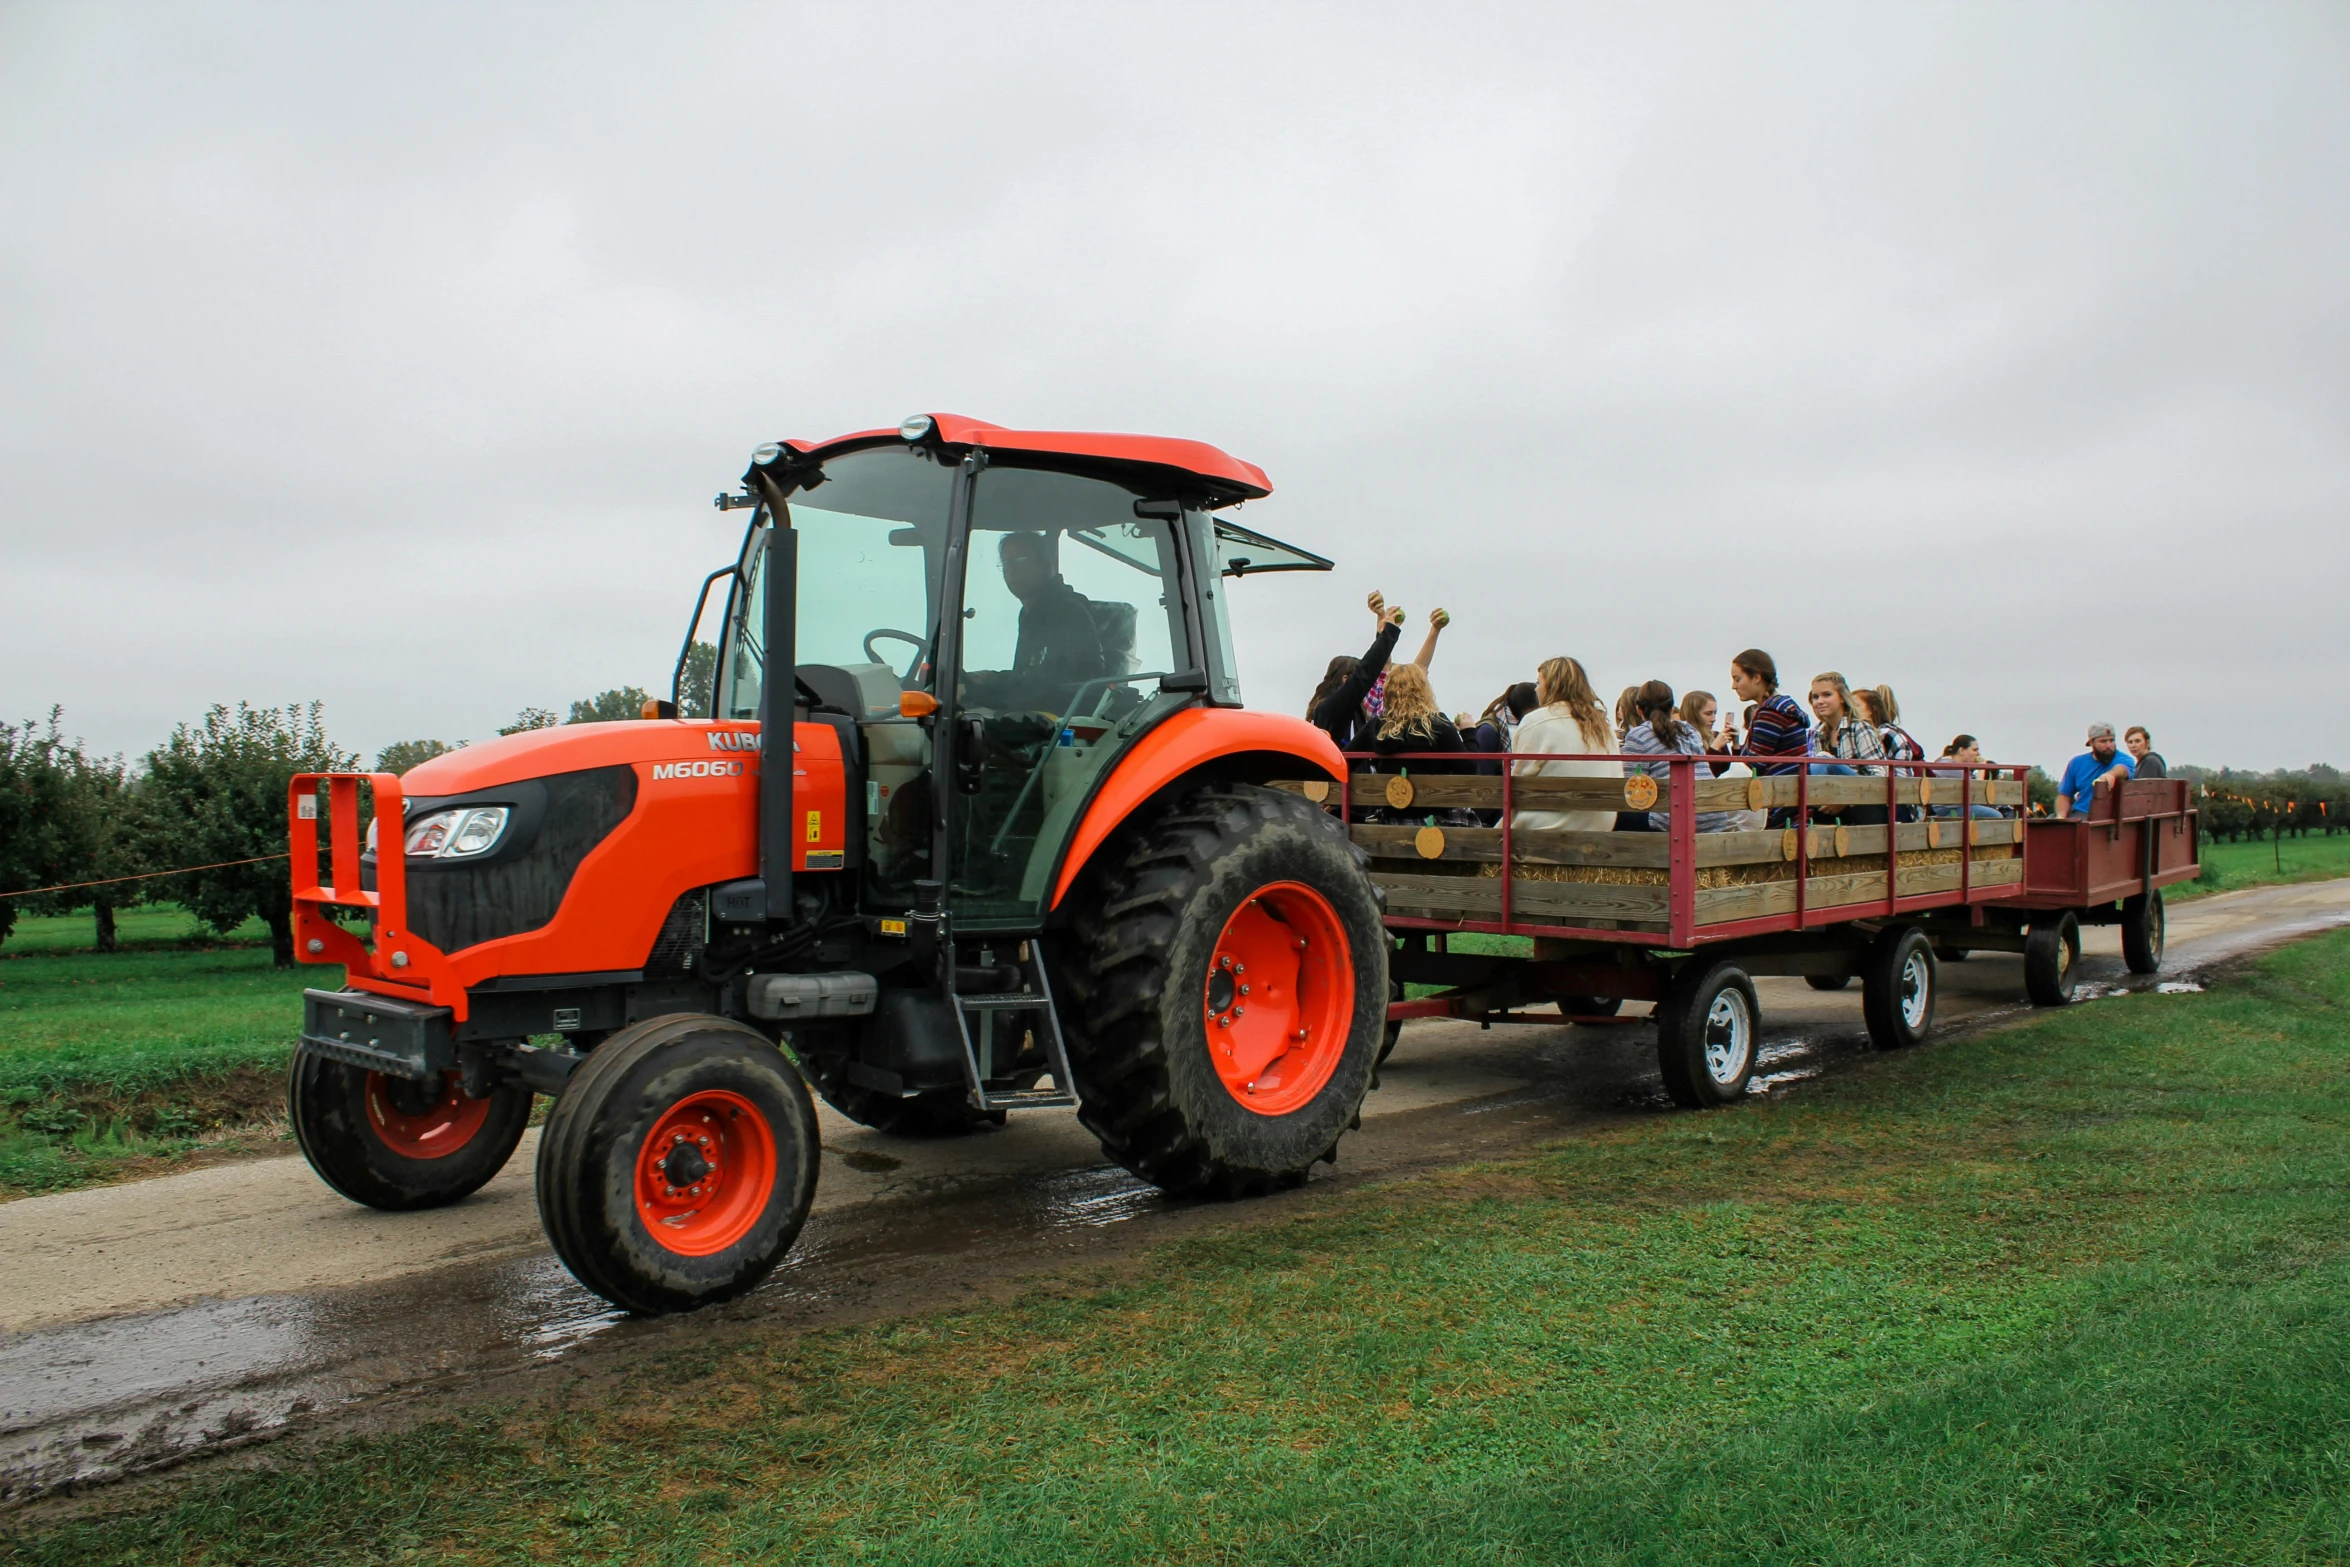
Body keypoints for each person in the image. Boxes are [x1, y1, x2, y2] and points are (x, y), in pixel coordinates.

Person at [961, 531, 1109, 712]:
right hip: (1035, 714)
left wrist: (975, 692)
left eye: (1021, 561)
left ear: (1045, 564)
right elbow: (1028, 677)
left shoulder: (1066, 612)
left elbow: (1047, 687)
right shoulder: (1030, 613)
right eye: (1007, 563)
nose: (1012, 571)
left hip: (1056, 724)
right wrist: (988, 679)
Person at [1512, 656, 1618, 833]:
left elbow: (1516, 784)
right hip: (1599, 828)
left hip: (1544, 829)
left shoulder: (1536, 722)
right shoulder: (1603, 728)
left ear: (1552, 686)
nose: (1536, 690)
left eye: (1538, 683)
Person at [1619, 681, 1735, 832]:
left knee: (1617, 815)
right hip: (1713, 815)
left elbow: (1631, 786)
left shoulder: (1638, 735)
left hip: (1676, 818)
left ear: (1639, 709)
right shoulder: (1690, 730)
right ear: (1672, 708)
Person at [1307, 596, 1405, 751]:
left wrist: (1382, 633)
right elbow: (1366, 673)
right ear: (1345, 680)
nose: (1367, 687)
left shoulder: (1345, 713)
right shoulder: (1330, 709)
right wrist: (1389, 633)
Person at [1730, 649, 1811, 826]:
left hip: (1778, 806)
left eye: (1738, 679)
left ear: (1757, 678)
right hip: (1792, 799)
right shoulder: (1781, 707)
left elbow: (1754, 764)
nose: (1733, 686)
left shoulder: (1771, 713)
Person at [1809, 672, 1887, 826]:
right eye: (1815, 697)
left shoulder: (1859, 727)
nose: (1820, 701)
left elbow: (1879, 777)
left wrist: (1846, 797)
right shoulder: (1819, 733)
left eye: (1827, 695)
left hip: (1865, 803)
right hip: (1832, 801)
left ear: (1842, 698)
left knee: (1824, 760)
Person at [2055, 722, 2134, 817]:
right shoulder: (2076, 762)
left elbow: (2122, 770)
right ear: (2092, 743)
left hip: (2109, 818)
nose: (2109, 745)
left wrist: (2110, 775)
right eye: (2103, 741)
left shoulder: (2124, 759)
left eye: (2112, 740)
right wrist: (2061, 816)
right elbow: (2064, 795)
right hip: (2081, 813)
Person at [1932, 735, 2005, 819]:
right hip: (1950, 810)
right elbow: (1977, 793)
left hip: (1946, 808)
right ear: (1962, 750)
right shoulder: (1953, 768)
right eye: (1974, 750)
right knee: (1996, 816)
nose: (1978, 754)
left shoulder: (1944, 762)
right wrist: (1982, 768)